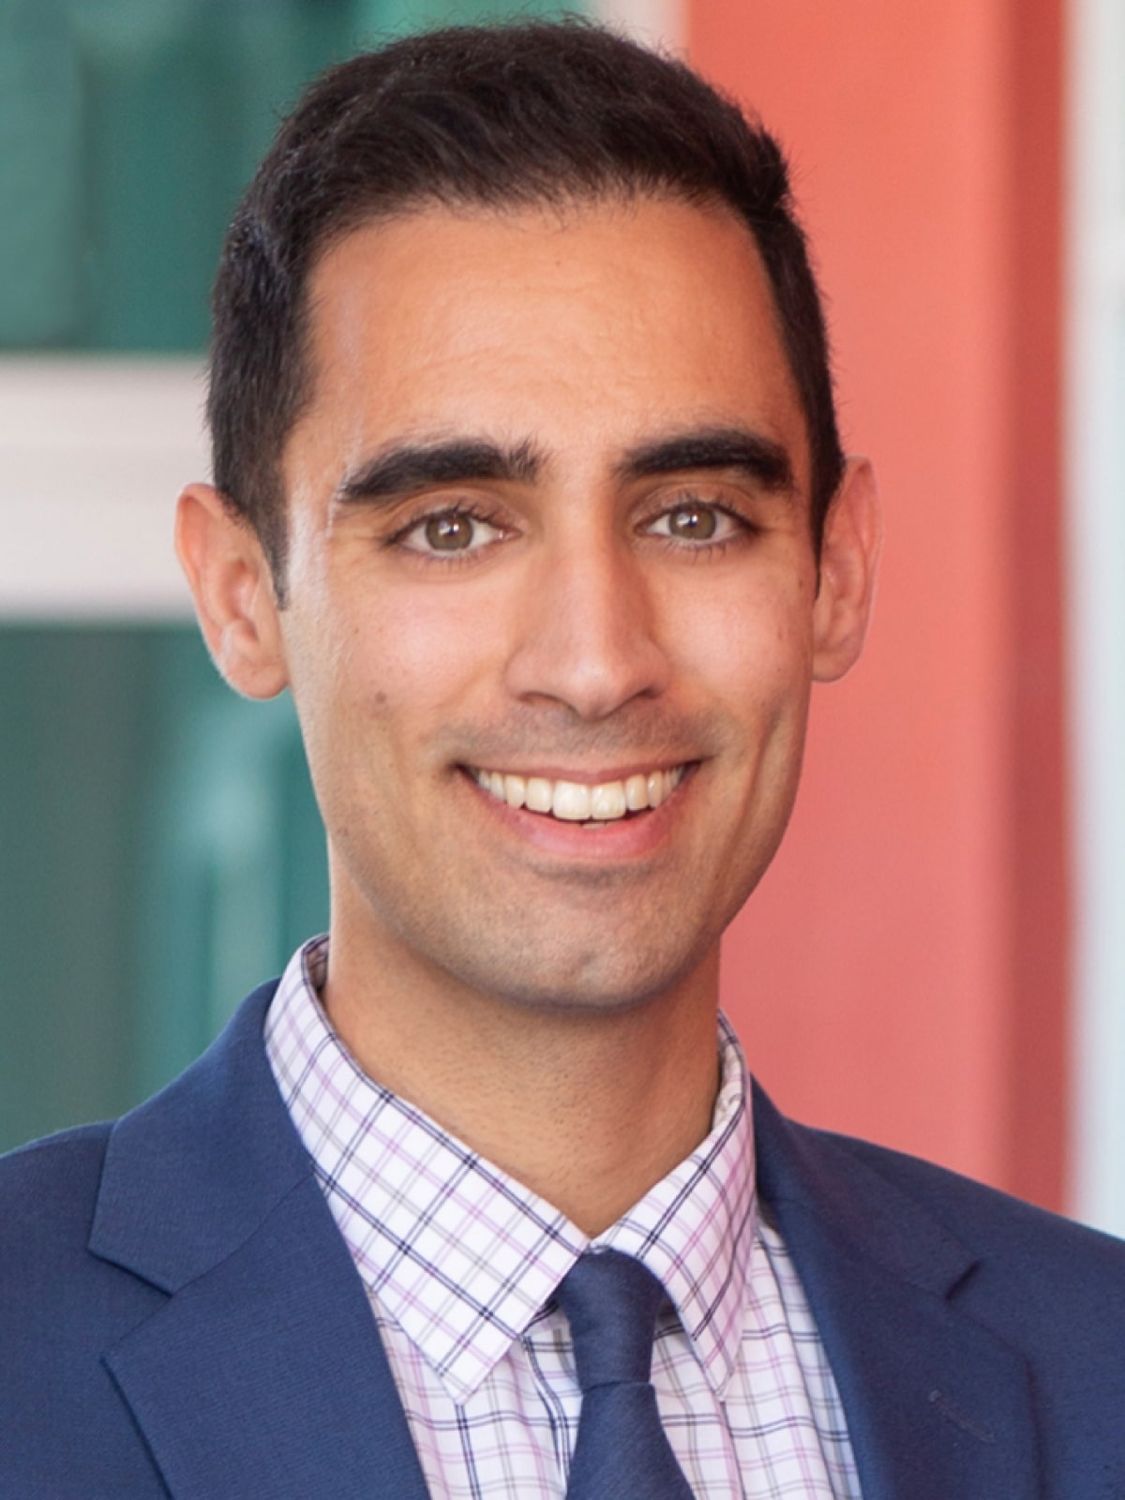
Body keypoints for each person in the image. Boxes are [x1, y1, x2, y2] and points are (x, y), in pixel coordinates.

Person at [2, 19, 1122, 1499]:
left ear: (834, 573)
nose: (595, 664)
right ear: (240, 595)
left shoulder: (1096, 1363)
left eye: (693, 516)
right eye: (451, 525)